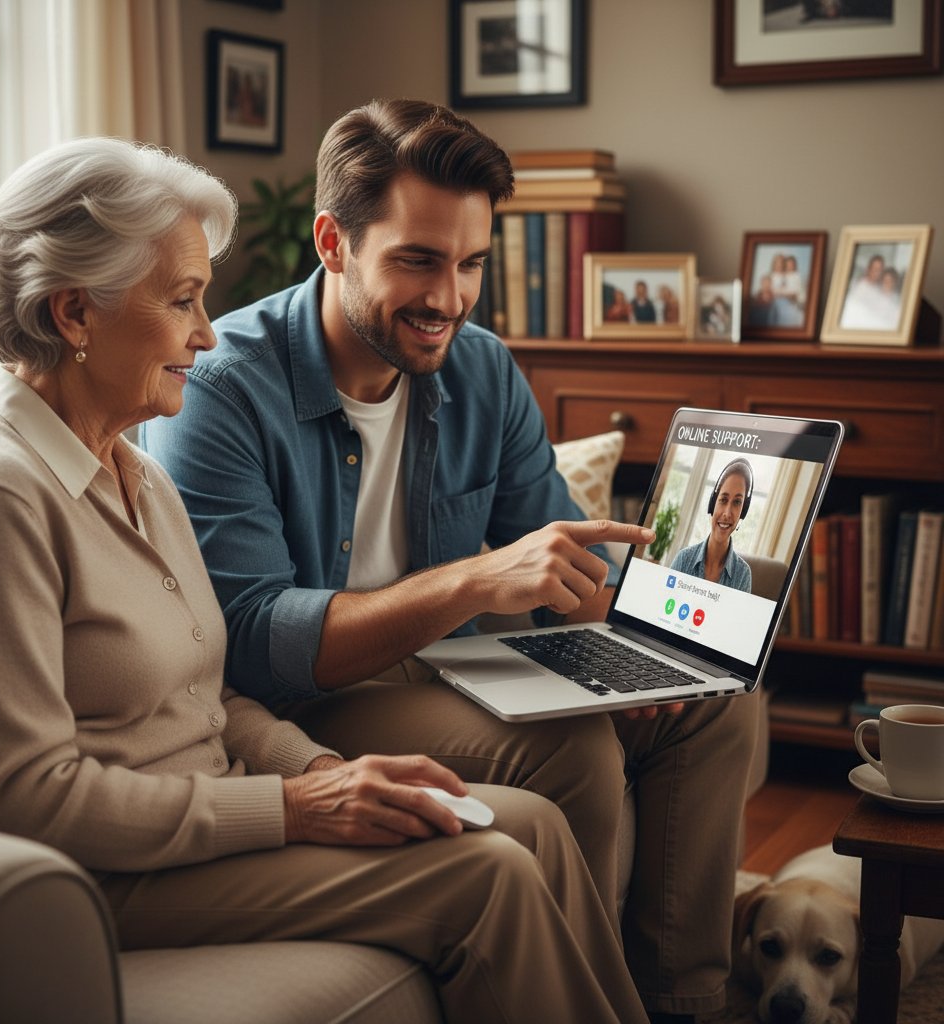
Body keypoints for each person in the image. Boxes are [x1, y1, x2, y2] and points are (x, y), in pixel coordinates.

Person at [0, 137, 653, 1024]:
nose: (204, 330)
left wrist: (328, 769)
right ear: (75, 314)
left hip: (214, 802)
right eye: (184, 300)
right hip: (98, 873)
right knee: (488, 870)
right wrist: (294, 806)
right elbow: (34, 800)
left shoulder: (130, 471)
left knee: (523, 824)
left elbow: (209, 693)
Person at [144, 99, 760, 1024]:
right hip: (302, 697)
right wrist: (477, 579)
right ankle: (572, 996)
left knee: (720, 703)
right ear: (334, 241)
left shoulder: (480, 369)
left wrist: (660, 633)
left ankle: (684, 1003)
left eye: (471, 263)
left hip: (453, 667)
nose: (449, 298)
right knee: (575, 750)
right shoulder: (223, 385)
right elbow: (251, 641)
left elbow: (562, 570)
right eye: (418, 260)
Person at [669, 460, 754, 593]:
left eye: (737, 502)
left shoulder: (743, 575)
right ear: (713, 504)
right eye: (723, 500)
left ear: (742, 512)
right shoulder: (683, 559)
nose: (727, 513)